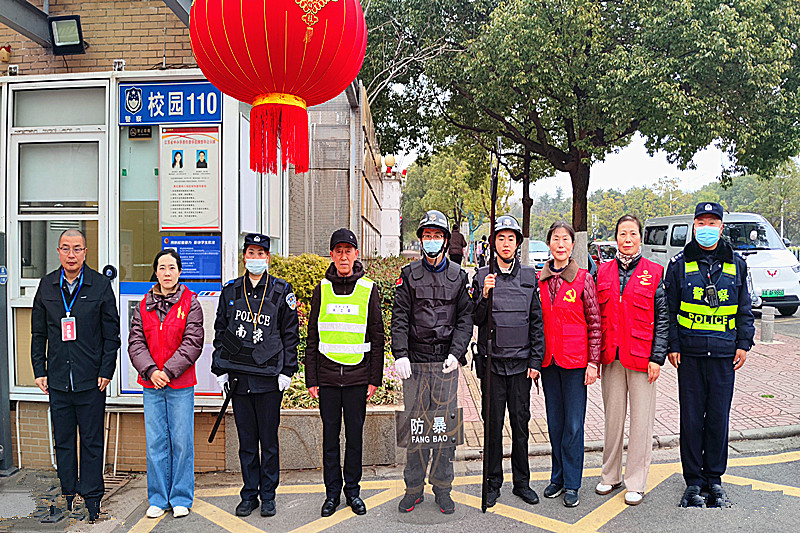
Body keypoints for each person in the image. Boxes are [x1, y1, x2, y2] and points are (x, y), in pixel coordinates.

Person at [665, 202, 754, 508]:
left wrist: (744, 343)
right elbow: (669, 311)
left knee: (718, 419)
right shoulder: (678, 265)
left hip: (723, 356)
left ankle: (714, 480)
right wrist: (672, 346)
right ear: (694, 226)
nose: (706, 228)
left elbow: (745, 309)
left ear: (721, 227)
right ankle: (692, 482)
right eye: (701, 223)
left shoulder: (738, 264)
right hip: (688, 356)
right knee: (691, 420)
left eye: (712, 223)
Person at [30, 229, 121, 523]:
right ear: (58, 251)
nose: (72, 255)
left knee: (92, 442)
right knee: (64, 441)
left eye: (77, 249)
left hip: (91, 380)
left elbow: (112, 335)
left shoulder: (99, 285)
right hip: (57, 379)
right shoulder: (46, 286)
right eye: (66, 249)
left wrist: (107, 371)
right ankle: (69, 494)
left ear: (85, 252)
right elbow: (38, 333)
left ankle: (93, 499)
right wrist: (39, 370)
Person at [211, 233, 300, 518]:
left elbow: (290, 335)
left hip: (269, 380)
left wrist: (288, 370)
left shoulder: (281, 291)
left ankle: (269, 494)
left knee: (269, 441)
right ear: (244, 257)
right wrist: (220, 369)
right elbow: (221, 331)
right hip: (239, 379)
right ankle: (249, 494)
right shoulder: (231, 291)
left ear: (268, 258)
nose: (256, 258)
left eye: (261, 254)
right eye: (251, 252)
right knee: (247, 442)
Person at [392, 210, 474, 515]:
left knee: (443, 430)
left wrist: (457, 352)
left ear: (445, 241)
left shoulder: (458, 277)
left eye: (436, 236)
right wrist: (400, 353)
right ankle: (413, 489)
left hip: (444, 364)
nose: (431, 241)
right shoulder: (409, 275)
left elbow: (465, 319)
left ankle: (442, 488)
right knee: (416, 429)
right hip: (414, 364)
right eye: (426, 235)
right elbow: (399, 316)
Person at [305, 229, 385, 517]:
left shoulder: (368, 289)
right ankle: (331, 494)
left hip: (357, 378)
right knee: (329, 440)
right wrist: (311, 379)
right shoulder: (321, 289)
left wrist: (375, 378)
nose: (343, 256)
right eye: (338, 251)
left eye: (348, 250)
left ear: (356, 254)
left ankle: (353, 491)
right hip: (326, 377)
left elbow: (378, 336)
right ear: (331, 255)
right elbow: (312, 336)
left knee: (354, 438)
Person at [595, 215, 668, 506]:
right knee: (612, 420)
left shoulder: (655, 272)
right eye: (622, 234)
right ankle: (609, 475)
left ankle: (635, 480)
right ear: (616, 238)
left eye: (633, 234)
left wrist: (657, 357)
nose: (627, 239)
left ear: (640, 238)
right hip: (611, 357)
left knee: (641, 422)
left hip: (642, 359)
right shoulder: (602, 272)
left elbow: (663, 319)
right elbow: (595, 317)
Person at [472, 215, 544, 507]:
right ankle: (492, 482)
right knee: (492, 427)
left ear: (517, 243)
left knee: (521, 426)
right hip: (492, 366)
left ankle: (522, 482)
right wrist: (484, 295)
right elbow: (474, 319)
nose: (505, 243)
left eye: (510, 238)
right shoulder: (481, 276)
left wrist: (535, 362)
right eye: (500, 238)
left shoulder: (529, 276)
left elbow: (537, 322)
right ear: (493, 243)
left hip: (520, 367)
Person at [128, 249, 204, 519]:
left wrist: (168, 372)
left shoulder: (190, 303)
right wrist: (150, 371)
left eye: (172, 267)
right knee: (156, 442)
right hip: (151, 385)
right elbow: (135, 342)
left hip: (180, 384)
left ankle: (181, 496)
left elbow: (193, 342)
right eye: (162, 268)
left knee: (181, 441)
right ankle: (159, 498)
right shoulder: (143, 304)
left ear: (179, 272)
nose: (167, 273)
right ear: (156, 272)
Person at [538, 221, 601, 508]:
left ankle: (573, 483)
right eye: (555, 239)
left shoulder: (585, 278)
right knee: (555, 423)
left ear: (572, 245)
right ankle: (558, 477)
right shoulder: (539, 280)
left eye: (565, 239)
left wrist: (593, 362)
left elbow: (595, 323)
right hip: (549, 362)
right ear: (549, 244)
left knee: (574, 425)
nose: (560, 244)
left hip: (576, 363)